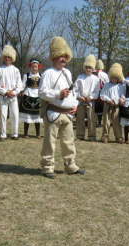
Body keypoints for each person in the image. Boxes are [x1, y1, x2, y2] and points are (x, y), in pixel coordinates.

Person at [38, 36, 85, 179]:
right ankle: (47, 167)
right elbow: (42, 92)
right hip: (53, 112)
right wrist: (59, 93)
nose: (63, 59)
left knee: (68, 142)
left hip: (68, 114)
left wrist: (75, 105)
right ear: (54, 57)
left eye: (65, 56)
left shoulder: (67, 73)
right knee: (49, 142)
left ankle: (70, 166)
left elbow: (74, 92)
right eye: (60, 56)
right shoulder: (48, 73)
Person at [0, 45, 22, 141]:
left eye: (9, 57)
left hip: (13, 96)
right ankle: (3, 134)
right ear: (3, 57)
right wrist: (5, 91)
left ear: (12, 57)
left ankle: (14, 133)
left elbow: (20, 85)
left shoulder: (16, 70)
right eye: (5, 57)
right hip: (3, 96)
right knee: (3, 115)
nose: (7, 58)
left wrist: (14, 92)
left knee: (15, 115)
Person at [75, 54, 100, 141]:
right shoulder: (80, 77)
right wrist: (80, 97)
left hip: (90, 101)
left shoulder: (96, 79)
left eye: (90, 67)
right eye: (87, 67)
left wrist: (91, 97)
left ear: (93, 68)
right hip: (81, 101)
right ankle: (79, 135)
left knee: (91, 120)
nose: (88, 69)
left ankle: (92, 136)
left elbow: (97, 91)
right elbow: (76, 90)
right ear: (84, 67)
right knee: (79, 119)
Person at [19, 59, 43, 139]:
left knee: (37, 115)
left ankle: (38, 134)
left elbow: (43, 86)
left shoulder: (41, 76)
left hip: (37, 95)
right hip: (28, 94)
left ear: (38, 67)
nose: (34, 68)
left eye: (36, 67)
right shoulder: (26, 75)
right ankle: (25, 133)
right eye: (33, 67)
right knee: (27, 115)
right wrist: (18, 90)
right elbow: (22, 85)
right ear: (30, 67)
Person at [100, 63, 124, 144]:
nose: (114, 79)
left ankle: (119, 137)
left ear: (118, 78)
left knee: (116, 122)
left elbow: (122, 96)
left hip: (116, 106)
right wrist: (109, 100)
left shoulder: (121, 86)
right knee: (106, 122)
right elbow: (102, 94)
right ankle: (105, 137)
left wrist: (116, 101)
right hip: (107, 104)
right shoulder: (107, 85)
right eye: (113, 77)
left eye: (116, 78)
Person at [93, 59, 108, 126]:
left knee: (95, 107)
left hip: (96, 92)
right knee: (100, 108)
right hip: (102, 92)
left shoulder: (94, 74)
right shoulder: (105, 74)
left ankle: (95, 121)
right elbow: (107, 83)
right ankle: (99, 122)